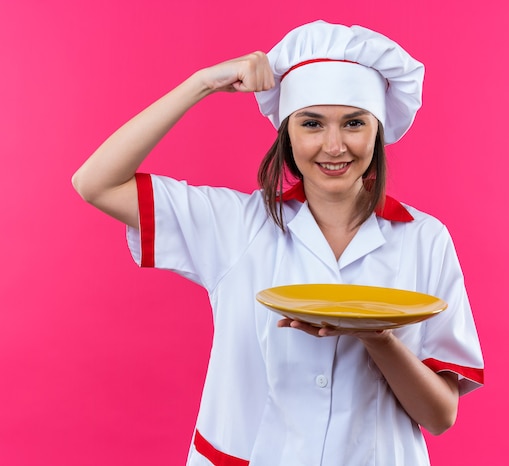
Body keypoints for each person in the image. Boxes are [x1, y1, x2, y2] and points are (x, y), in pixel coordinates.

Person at [72, 20, 484, 466]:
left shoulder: (425, 239)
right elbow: (96, 183)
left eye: (353, 123)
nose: (333, 145)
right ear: (287, 133)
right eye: (311, 123)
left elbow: (440, 416)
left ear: (377, 131)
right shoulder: (234, 226)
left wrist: (378, 338)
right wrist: (202, 83)